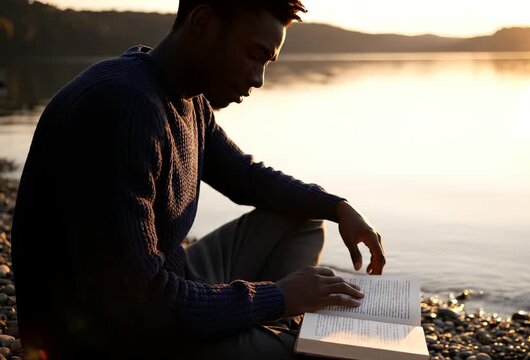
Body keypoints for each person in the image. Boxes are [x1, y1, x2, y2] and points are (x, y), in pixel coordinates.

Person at [11, 0, 386, 359]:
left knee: (303, 220)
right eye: (253, 54)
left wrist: (338, 206)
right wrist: (280, 295)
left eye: (268, 62)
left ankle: (265, 331)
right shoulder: (121, 108)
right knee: (325, 354)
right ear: (204, 24)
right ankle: (273, 334)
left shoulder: (187, 99)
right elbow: (140, 305)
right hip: (114, 340)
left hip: (170, 291)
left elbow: (246, 178)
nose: (258, 79)